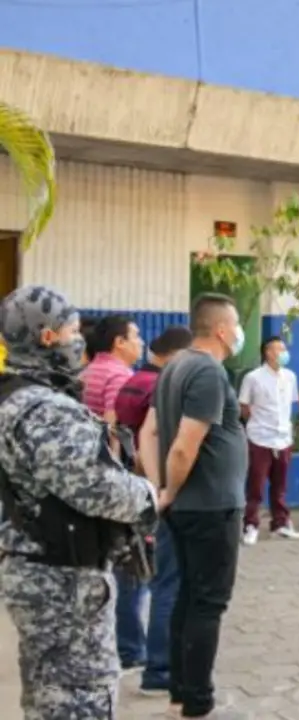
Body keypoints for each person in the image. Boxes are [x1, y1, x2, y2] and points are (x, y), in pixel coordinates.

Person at [0, 285, 156, 719]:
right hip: (63, 581)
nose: (79, 341)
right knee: (79, 697)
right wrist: (147, 495)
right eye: (72, 331)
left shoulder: (16, 397)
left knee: (49, 693)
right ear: (47, 336)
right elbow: (96, 489)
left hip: (42, 568)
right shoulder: (44, 409)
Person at [138, 292, 249, 718]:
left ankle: (181, 692)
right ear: (221, 330)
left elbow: (149, 433)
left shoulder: (174, 367)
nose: (238, 332)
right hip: (211, 507)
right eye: (235, 324)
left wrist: (160, 488)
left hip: (188, 506)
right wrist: (166, 489)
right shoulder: (206, 371)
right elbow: (185, 446)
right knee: (207, 603)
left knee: (188, 597)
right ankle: (197, 702)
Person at [115, 325, 193, 697]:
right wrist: (162, 486)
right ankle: (156, 667)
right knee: (165, 581)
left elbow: (117, 431)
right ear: (177, 355)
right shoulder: (160, 386)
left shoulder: (133, 381)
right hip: (153, 491)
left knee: (134, 569)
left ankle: (129, 648)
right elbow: (158, 436)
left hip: (129, 486)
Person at [80, 314, 148, 673]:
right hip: (112, 482)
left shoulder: (89, 370)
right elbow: (112, 427)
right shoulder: (120, 376)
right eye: (135, 336)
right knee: (128, 565)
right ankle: (129, 647)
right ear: (119, 342)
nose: (140, 342)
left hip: (86, 480)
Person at [237, 336, 299, 544]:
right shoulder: (253, 378)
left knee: (280, 485)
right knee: (255, 486)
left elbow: (289, 405)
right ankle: (250, 524)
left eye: (284, 348)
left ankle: (280, 523)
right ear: (267, 352)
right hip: (260, 438)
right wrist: (257, 423)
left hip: (283, 439)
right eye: (278, 349)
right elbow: (244, 406)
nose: (283, 353)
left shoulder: (290, 377)